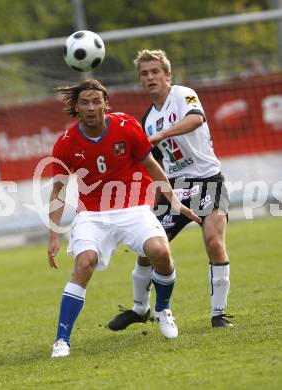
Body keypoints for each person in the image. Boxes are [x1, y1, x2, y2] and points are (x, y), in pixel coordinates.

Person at [48, 79, 202, 358]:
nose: (92, 107)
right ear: (76, 107)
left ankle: (163, 309)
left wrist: (175, 200)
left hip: (132, 205)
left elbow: (152, 166)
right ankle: (61, 340)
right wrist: (53, 235)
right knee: (84, 264)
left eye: (97, 101)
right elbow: (57, 191)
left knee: (160, 251)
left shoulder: (126, 126)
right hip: (92, 213)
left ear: (106, 103)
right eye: (85, 102)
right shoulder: (66, 143)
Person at [108, 50, 233, 331]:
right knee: (147, 248)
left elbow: (196, 119)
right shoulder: (147, 118)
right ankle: (140, 309)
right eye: (144, 73)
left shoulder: (184, 94)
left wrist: (161, 135)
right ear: (140, 80)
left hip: (207, 181)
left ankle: (219, 314)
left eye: (155, 71)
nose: (150, 77)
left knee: (214, 242)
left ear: (167, 74)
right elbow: (154, 164)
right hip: (174, 187)